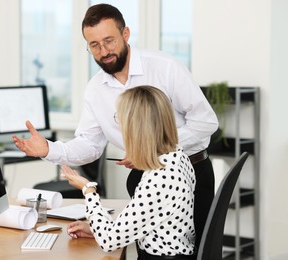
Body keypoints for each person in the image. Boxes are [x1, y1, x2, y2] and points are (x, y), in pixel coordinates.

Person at [12, 3, 218, 250]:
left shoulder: (165, 67)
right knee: (152, 246)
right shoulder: (95, 89)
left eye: (109, 40)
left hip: (189, 173)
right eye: (94, 46)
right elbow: (89, 144)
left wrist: (153, 150)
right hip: (145, 178)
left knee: (193, 251)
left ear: (126, 34)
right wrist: (48, 149)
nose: (104, 51)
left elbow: (206, 122)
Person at [62, 86, 196, 260]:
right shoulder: (177, 157)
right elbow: (138, 223)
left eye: (120, 119)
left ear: (136, 128)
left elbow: (109, 241)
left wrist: (88, 190)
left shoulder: (160, 177)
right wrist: (95, 229)